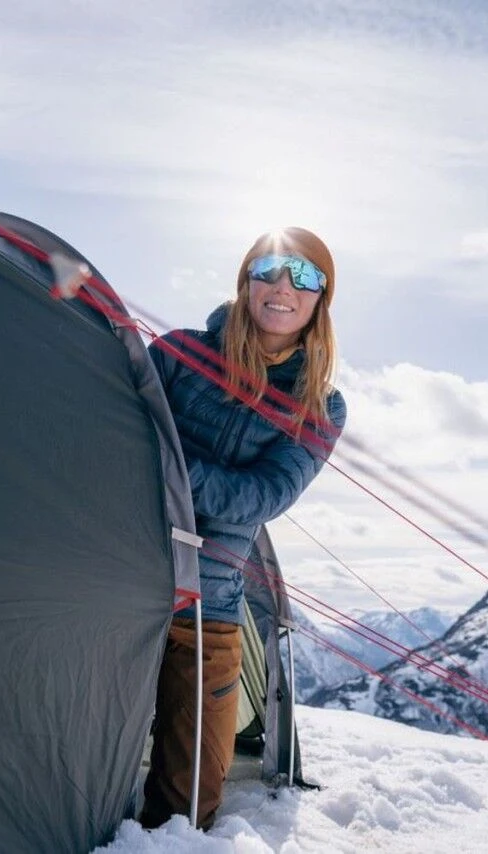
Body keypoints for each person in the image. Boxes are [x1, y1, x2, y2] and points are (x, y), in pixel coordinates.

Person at [140, 226, 347, 830]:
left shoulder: (320, 404)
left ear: (321, 299)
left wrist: (166, 467)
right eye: (268, 269)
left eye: (304, 276)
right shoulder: (178, 353)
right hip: (126, 573)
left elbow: (262, 496)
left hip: (209, 605)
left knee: (188, 798)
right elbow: (119, 432)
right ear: (245, 282)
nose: (283, 286)